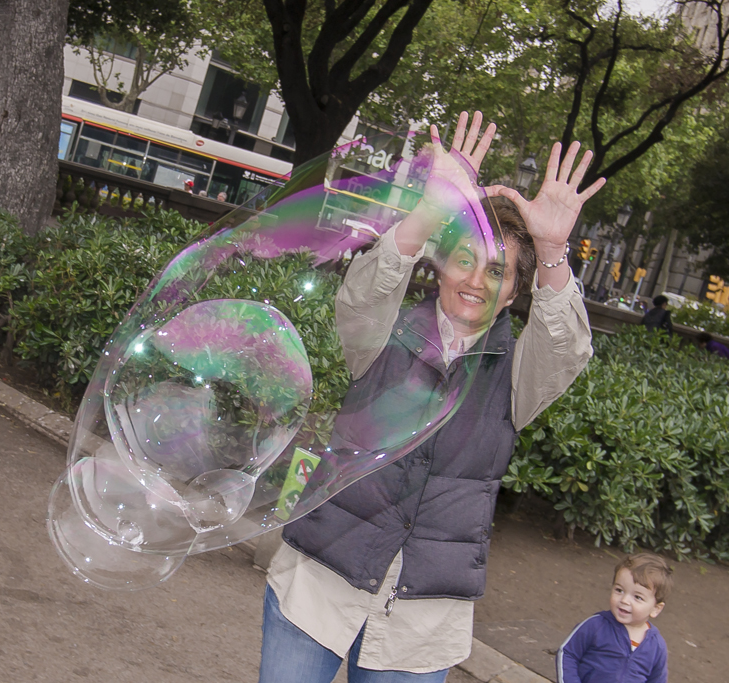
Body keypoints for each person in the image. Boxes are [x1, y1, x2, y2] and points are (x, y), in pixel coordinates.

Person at [259, 111, 603, 682]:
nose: (475, 281)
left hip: (419, 620)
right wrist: (431, 208)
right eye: (464, 258)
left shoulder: (520, 376)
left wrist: (550, 250)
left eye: (498, 271)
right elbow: (362, 293)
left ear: (516, 291)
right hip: (320, 584)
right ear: (440, 265)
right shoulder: (380, 336)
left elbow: (566, 349)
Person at [556, 553, 671, 683]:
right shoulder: (595, 625)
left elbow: (657, 680)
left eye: (637, 597)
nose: (625, 600)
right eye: (619, 590)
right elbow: (567, 653)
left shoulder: (656, 646)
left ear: (656, 609)